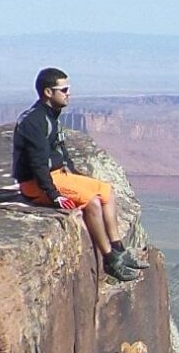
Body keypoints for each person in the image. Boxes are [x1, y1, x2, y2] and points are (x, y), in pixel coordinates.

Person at [13, 68, 141, 282]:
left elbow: (60, 151)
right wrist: (54, 196)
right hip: (36, 183)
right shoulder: (34, 122)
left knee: (106, 190)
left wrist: (76, 175)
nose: (68, 93)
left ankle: (119, 248)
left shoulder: (50, 116)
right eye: (63, 89)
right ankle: (110, 259)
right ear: (47, 92)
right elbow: (37, 164)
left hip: (58, 175)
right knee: (91, 203)